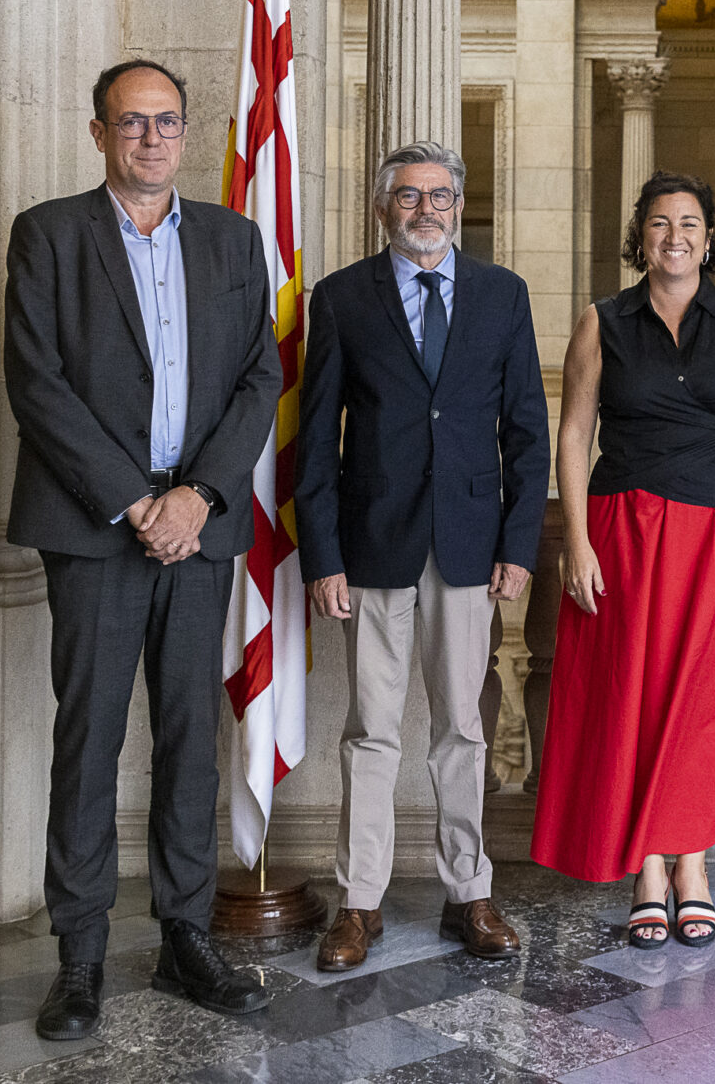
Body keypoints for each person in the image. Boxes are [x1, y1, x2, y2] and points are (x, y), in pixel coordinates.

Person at [4, 58, 279, 1040]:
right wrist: (136, 501)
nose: (152, 138)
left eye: (166, 122)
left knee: (188, 742)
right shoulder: (49, 235)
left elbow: (260, 375)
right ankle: (79, 957)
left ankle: (183, 936)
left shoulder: (233, 239)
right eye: (132, 122)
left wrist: (198, 495)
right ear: (99, 134)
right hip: (92, 530)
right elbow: (36, 384)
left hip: (198, 533)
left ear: (186, 132)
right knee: (86, 741)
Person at [294, 141, 551, 970]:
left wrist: (517, 545)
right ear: (383, 209)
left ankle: (469, 892)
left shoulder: (502, 296)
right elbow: (314, 442)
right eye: (408, 197)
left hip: (472, 546)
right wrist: (322, 557)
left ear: (459, 204)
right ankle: (359, 903)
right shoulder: (339, 300)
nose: (426, 210)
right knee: (370, 730)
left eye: (441, 195)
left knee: (464, 729)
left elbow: (527, 435)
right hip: (371, 546)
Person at [531, 171, 715, 948]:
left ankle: (693, 865)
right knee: (633, 698)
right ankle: (647, 866)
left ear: (710, 238)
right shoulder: (601, 322)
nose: (674, 236)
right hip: (626, 532)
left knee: (707, 705)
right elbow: (574, 435)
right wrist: (576, 541)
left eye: (689, 223)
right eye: (657, 223)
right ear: (638, 237)